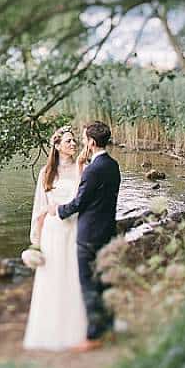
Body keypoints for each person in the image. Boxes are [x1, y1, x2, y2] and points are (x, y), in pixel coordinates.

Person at [47, 121, 121, 352]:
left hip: (89, 234)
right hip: (107, 230)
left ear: (90, 142)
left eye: (83, 138)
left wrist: (57, 211)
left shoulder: (93, 169)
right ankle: (108, 328)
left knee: (89, 285)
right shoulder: (113, 165)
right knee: (104, 281)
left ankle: (93, 336)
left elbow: (80, 202)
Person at [22, 125, 88, 351]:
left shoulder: (82, 169)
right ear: (57, 146)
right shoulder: (46, 173)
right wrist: (36, 241)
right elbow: (39, 208)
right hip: (52, 231)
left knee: (73, 275)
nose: (73, 144)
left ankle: (77, 327)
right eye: (68, 141)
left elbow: (83, 201)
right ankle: (50, 326)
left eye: (73, 141)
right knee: (52, 275)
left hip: (74, 228)